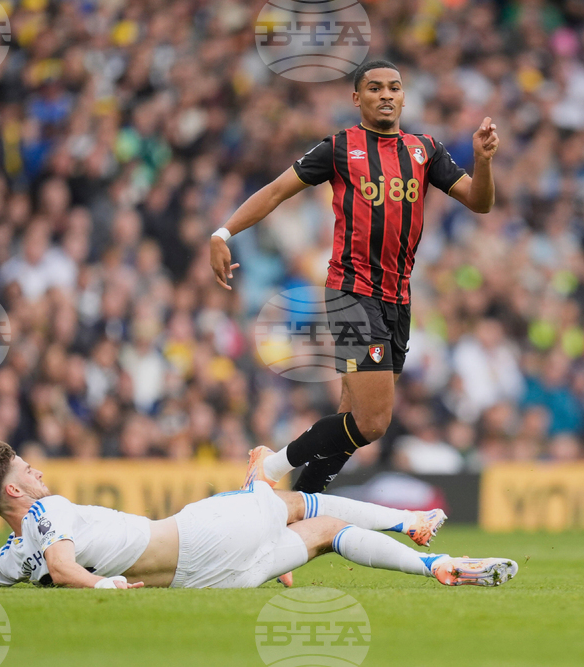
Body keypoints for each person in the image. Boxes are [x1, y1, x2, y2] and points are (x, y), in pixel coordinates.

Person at [210, 59, 499, 493]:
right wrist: (222, 232)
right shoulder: (340, 147)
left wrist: (482, 160)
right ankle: (271, 467)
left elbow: (479, 203)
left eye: (395, 87)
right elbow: (274, 191)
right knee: (373, 423)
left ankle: (297, 510)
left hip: (398, 299)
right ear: (357, 98)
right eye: (376, 88)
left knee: (350, 415)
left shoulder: (425, 150)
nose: (386, 95)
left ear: (404, 96)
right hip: (350, 292)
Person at [0, 443, 517, 589]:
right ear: (13, 495)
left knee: (326, 534)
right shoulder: (47, 510)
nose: (36, 473)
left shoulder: (13, 557)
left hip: (209, 578)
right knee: (281, 491)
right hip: (197, 535)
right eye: (25, 472)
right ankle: (408, 521)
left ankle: (440, 566)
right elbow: (63, 567)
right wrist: (103, 585)